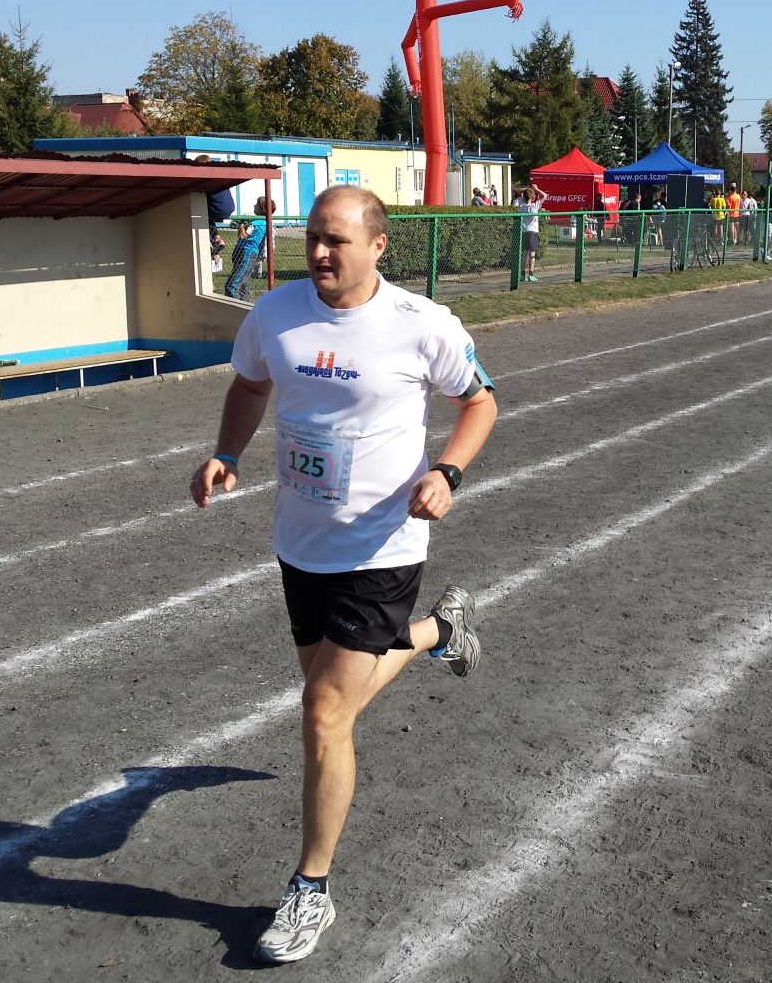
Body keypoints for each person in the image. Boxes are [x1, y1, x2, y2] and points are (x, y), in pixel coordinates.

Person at [189, 185, 497, 965]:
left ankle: (310, 889)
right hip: (301, 542)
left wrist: (448, 473)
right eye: (314, 238)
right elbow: (250, 384)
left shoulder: (422, 324)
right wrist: (225, 454)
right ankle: (440, 630)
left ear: (378, 245)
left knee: (324, 712)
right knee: (334, 699)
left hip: (383, 546)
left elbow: (481, 403)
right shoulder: (275, 313)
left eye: (337, 240)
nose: (321, 253)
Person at [226, 198, 276, 301]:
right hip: (246, 252)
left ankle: (234, 304)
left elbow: (243, 236)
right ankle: (245, 303)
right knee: (244, 283)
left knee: (232, 285)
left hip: (247, 251)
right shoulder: (264, 222)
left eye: (257, 205)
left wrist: (241, 225)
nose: (254, 206)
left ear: (262, 208)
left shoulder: (256, 223)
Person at [517, 182, 547, 282]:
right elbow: (544, 195)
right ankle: (531, 274)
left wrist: (528, 190)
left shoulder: (521, 205)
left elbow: (518, 192)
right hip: (533, 232)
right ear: (532, 197)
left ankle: (522, 274)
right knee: (532, 254)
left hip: (524, 232)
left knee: (524, 253)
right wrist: (536, 189)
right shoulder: (534, 206)